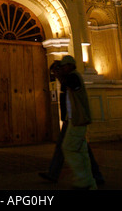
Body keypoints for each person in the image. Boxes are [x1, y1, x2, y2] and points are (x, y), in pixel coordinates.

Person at [40, 57, 102, 190]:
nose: (61, 69)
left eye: (63, 66)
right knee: (82, 151)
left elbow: (68, 83)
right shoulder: (70, 78)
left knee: (69, 148)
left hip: (77, 120)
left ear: (70, 66)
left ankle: (83, 180)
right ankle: (91, 181)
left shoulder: (74, 77)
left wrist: (57, 74)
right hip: (73, 120)